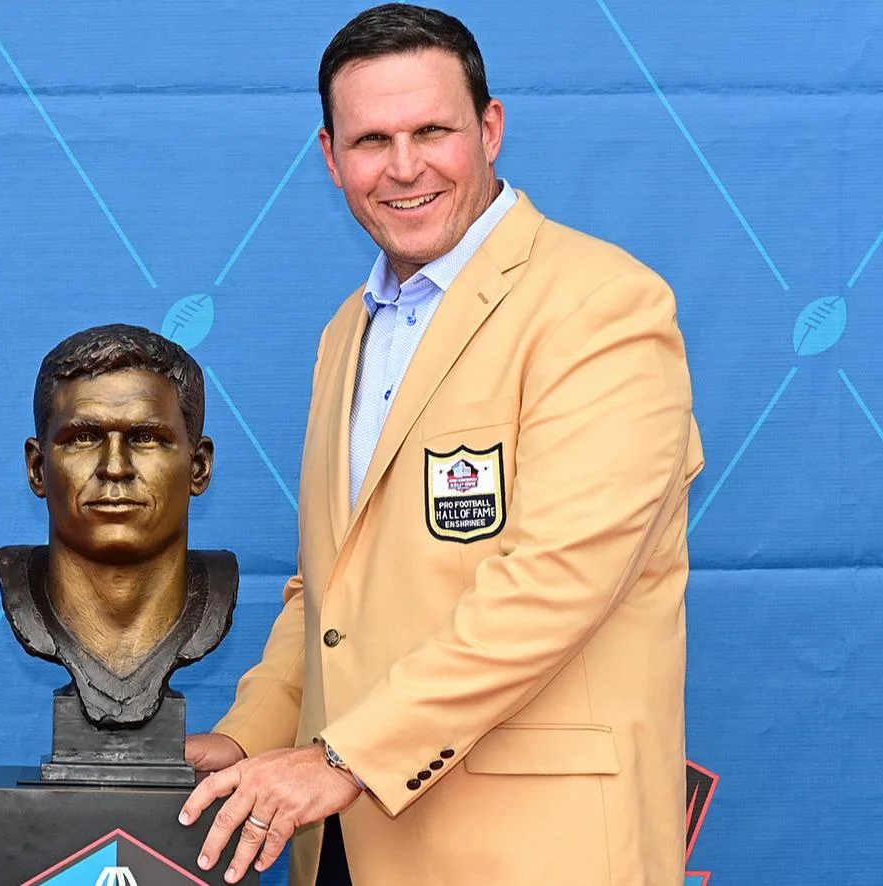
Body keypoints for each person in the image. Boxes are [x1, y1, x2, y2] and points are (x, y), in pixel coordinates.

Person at [179, 5, 705, 884]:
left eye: (432, 130)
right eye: (371, 140)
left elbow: (554, 585)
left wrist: (340, 759)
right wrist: (247, 736)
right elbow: (329, 590)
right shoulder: (346, 332)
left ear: (490, 129)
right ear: (329, 157)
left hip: (533, 853)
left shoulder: (601, 305)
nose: (403, 167)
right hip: (345, 849)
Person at [0, 323, 237, 728]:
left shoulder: (213, 597)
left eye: (145, 437)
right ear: (37, 469)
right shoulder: (24, 596)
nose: (114, 468)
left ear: (199, 467)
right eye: (83, 438)